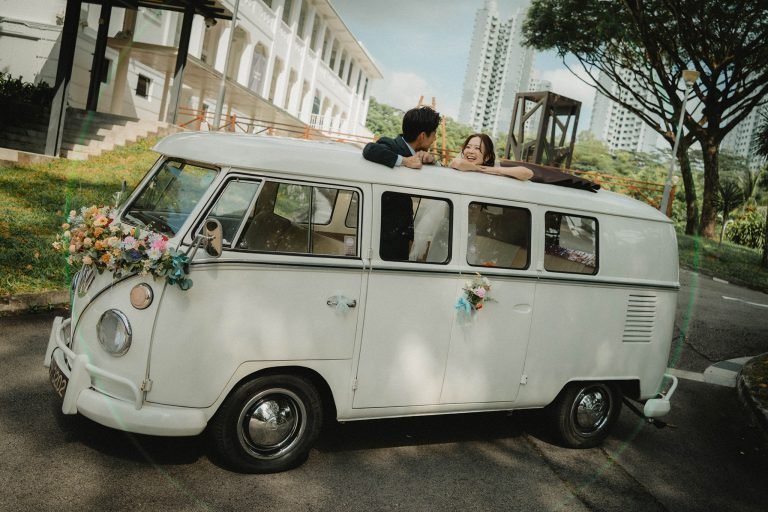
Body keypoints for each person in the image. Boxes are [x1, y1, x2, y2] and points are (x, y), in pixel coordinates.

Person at [363, 107, 442, 260]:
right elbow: (369, 150)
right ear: (422, 136)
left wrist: (432, 161)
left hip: (400, 237)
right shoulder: (391, 145)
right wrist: (404, 161)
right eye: (433, 134)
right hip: (382, 239)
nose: (435, 139)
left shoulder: (422, 156)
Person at [450, 133, 534, 181]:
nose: (470, 151)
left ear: (487, 157)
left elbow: (528, 173)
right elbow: (458, 163)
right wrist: (478, 168)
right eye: (468, 147)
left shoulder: (492, 174)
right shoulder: (458, 165)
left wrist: (493, 170)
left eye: (477, 148)